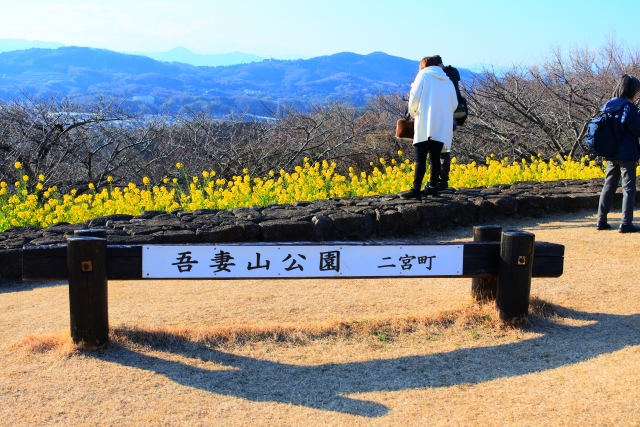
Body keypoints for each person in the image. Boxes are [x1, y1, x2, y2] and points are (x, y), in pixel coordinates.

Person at [399, 55, 458, 200]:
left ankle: (415, 190)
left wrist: (414, 112)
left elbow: (414, 98)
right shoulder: (447, 80)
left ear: (423, 66)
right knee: (435, 157)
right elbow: (454, 104)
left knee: (420, 158)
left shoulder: (423, 75)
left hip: (425, 122)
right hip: (441, 125)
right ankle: (432, 187)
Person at [596, 74, 640, 233]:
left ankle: (601, 220)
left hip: (610, 152)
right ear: (631, 90)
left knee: (608, 186)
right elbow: (637, 129)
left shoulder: (608, 105)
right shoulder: (629, 107)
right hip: (627, 153)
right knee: (629, 188)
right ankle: (626, 223)